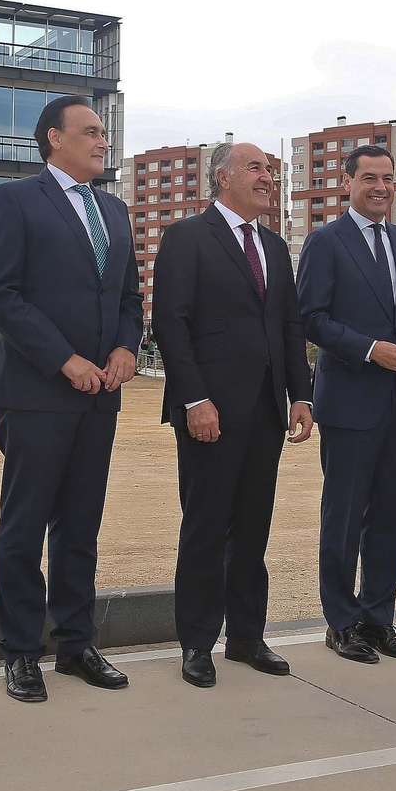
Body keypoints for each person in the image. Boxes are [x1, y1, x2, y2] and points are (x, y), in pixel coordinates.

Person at [0, 95, 144, 702]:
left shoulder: (116, 211)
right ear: (54, 138)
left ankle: (76, 644)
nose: (103, 142)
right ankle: (21, 651)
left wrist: (126, 349)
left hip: (101, 395)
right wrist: (64, 359)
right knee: (24, 525)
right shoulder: (14, 201)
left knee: (80, 525)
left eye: (105, 133)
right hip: (36, 393)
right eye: (91, 132)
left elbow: (128, 297)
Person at [154, 141, 314, 688]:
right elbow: (171, 325)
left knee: (252, 530)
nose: (268, 176)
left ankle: (247, 637)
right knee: (205, 528)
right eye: (257, 167)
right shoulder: (186, 238)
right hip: (210, 413)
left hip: (266, 412)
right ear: (222, 179)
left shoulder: (273, 245)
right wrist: (194, 399)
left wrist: (301, 394)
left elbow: (289, 326)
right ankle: (197, 643)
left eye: (271, 169)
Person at [296, 145, 396, 664]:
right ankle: (341, 622)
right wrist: (370, 349)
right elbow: (311, 317)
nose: (380, 187)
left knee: (390, 518)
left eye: (388, 179)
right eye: (369, 178)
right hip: (350, 399)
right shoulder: (325, 241)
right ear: (347, 182)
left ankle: (380, 619)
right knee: (344, 517)